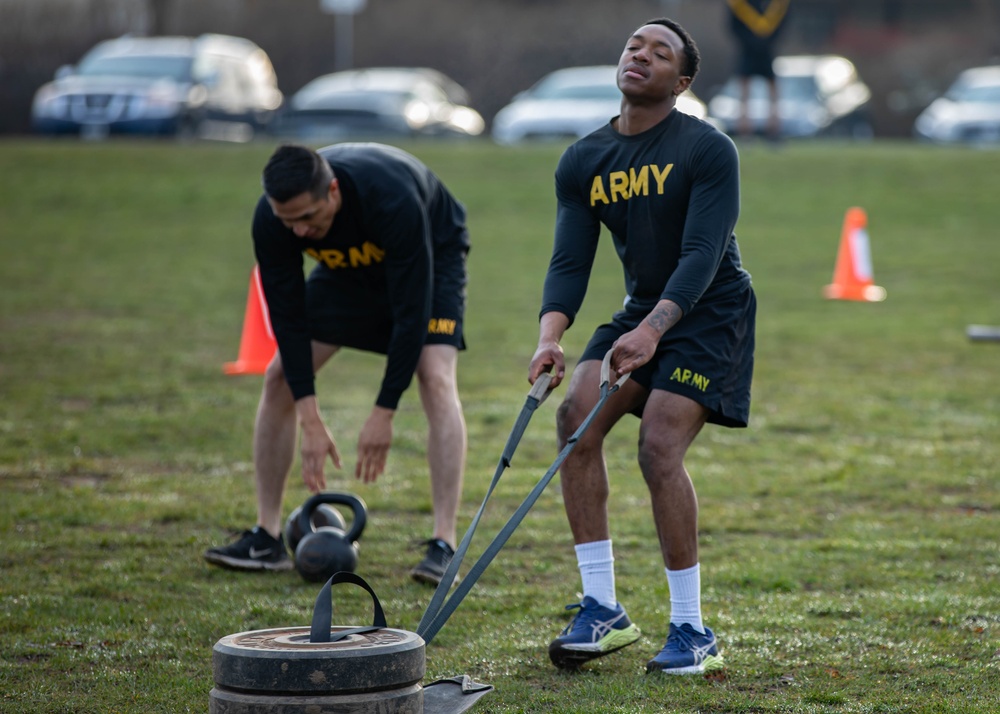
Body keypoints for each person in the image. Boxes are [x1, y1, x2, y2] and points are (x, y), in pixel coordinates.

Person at [527, 18, 756, 675]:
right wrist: (550, 339)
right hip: (639, 312)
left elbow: (703, 254)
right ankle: (602, 609)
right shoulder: (583, 159)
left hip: (710, 311)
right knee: (576, 418)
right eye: (634, 45)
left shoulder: (707, 150)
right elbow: (569, 261)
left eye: (660, 54)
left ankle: (692, 629)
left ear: (679, 83)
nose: (641, 56)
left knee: (658, 444)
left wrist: (656, 328)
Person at [205, 142, 470, 586]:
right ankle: (266, 538)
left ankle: (444, 544)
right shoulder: (276, 220)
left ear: (332, 190)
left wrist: (384, 412)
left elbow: (409, 316)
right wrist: (310, 418)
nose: (299, 232)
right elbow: (286, 320)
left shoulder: (391, 198)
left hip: (430, 255)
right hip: (345, 268)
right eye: (288, 222)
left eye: (308, 218)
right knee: (277, 379)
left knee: (436, 377)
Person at [725, 0, 790, 139]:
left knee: (773, 93)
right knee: (744, 93)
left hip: (767, 51)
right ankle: (744, 130)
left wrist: (766, 43)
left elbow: (783, 24)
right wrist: (751, 42)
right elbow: (733, 27)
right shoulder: (739, 4)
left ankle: (773, 129)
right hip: (747, 51)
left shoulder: (775, 5)